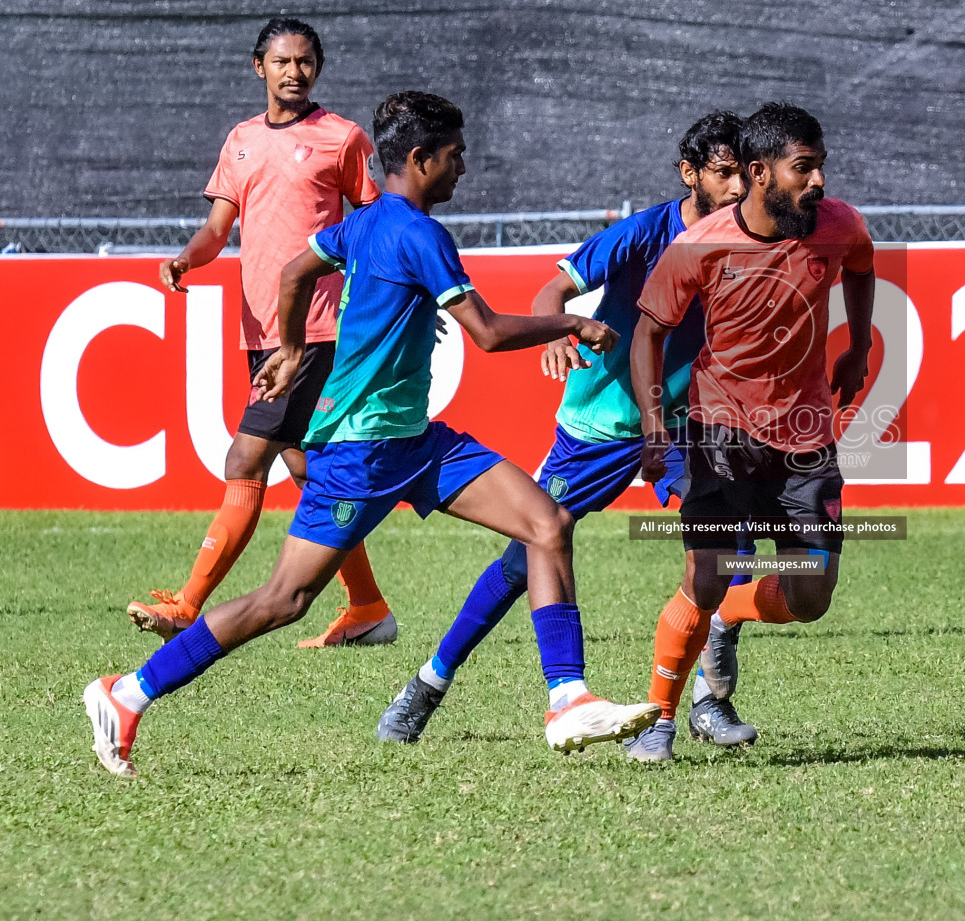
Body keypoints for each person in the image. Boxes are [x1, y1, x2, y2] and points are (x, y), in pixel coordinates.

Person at [84, 92, 659, 777]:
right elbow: (487, 333)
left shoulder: (364, 223)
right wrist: (572, 323)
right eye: (455, 155)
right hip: (360, 452)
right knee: (283, 602)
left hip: (412, 441)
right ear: (419, 159)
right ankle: (126, 694)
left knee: (546, 522)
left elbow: (296, 271)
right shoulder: (419, 233)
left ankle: (567, 699)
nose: (464, 168)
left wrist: (293, 348)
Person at [375, 111, 760, 747]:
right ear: (690, 174)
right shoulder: (642, 234)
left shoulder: (750, 241)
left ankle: (707, 702)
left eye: (744, 175)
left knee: (731, 553)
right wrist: (555, 338)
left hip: (691, 420)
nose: (738, 190)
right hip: (605, 422)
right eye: (723, 175)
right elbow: (552, 293)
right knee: (529, 553)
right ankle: (428, 684)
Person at [128, 17, 396, 648]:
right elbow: (218, 229)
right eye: (282, 62)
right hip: (262, 333)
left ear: (317, 69)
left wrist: (386, 297)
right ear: (260, 68)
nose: (294, 71)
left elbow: (378, 222)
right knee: (311, 470)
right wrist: (188, 258)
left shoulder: (341, 138)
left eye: (305, 61)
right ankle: (367, 606)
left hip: (317, 333)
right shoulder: (241, 141)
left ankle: (188, 606)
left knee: (246, 458)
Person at [624, 103, 876, 762]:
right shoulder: (701, 244)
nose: (818, 181)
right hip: (719, 433)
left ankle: (732, 611)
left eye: (821, 166)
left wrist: (857, 349)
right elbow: (648, 332)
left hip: (804, 439)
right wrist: (655, 425)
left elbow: (862, 262)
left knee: (811, 595)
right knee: (701, 577)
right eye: (804, 168)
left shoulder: (838, 224)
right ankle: (659, 720)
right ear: (760, 173)